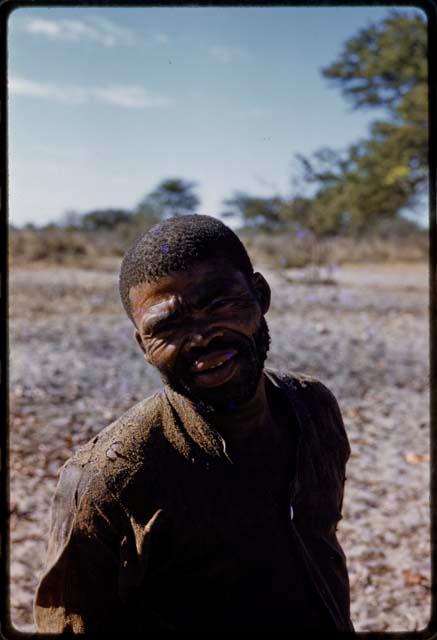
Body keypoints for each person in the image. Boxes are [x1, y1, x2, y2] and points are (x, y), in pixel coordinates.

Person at [34, 214, 354, 633]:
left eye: (219, 304)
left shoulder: (313, 410)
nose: (201, 337)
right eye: (167, 326)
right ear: (143, 345)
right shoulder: (108, 480)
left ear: (260, 295)